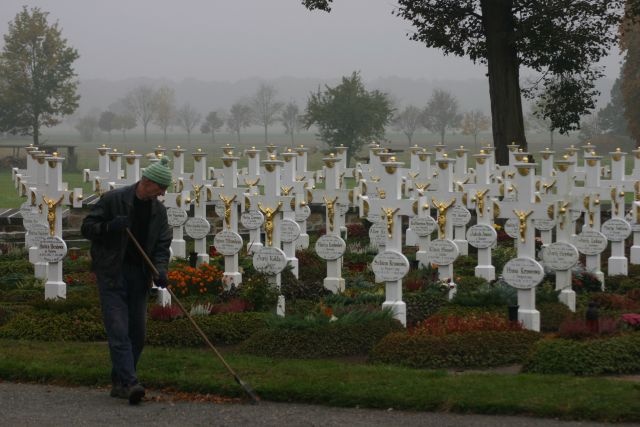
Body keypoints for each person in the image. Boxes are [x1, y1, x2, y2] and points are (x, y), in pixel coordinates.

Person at [81, 157, 173, 405]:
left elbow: (162, 245)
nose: (163, 193)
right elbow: (87, 227)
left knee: (138, 333)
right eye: (161, 187)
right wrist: (110, 226)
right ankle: (131, 382)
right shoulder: (114, 200)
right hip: (112, 273)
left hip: (139, 276)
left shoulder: (158, 211)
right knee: (118, 329)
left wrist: (160, 270)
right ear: (147, 181)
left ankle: (120, 382)